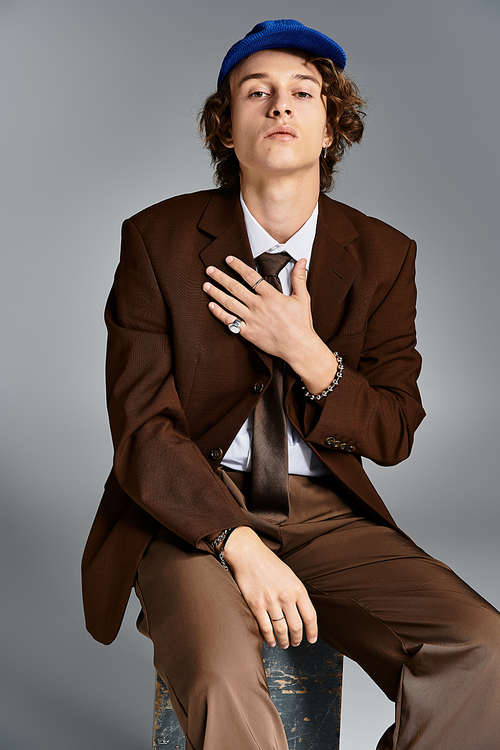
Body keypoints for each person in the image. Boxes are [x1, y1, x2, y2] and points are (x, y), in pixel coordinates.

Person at [82, 19, 500, 750]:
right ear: (226, 129)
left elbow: (394, 430)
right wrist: (238, 544)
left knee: (483, 648)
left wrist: (311, 355)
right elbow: (144, 431)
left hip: (324, 514)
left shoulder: (383, 254)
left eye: (303, 92)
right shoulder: (156, 240)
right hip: (193, 510)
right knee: (217, 674)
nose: (280, 107)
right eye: (257, 93)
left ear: (332, 128)